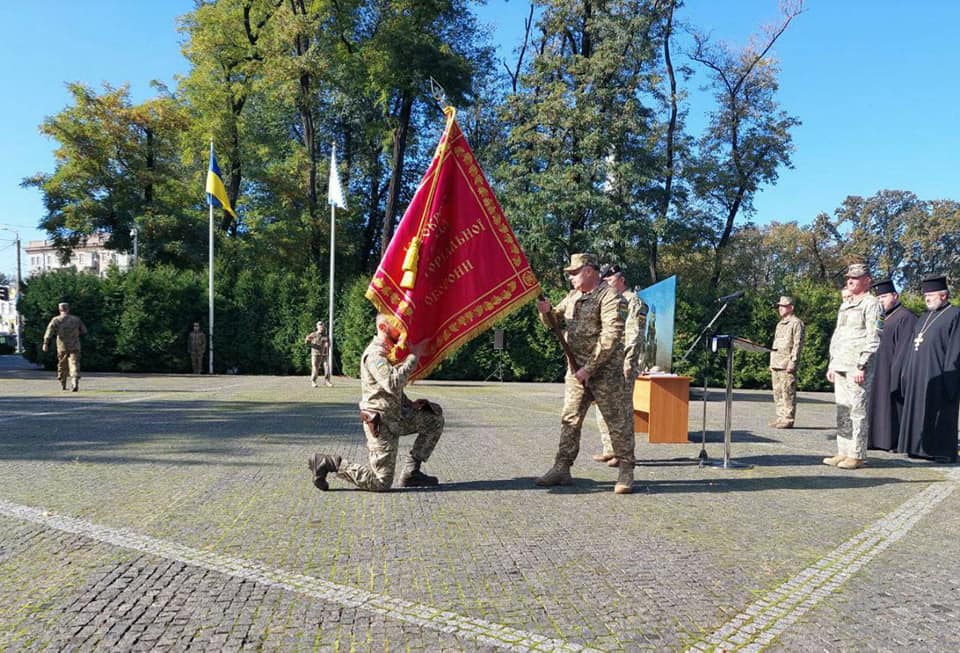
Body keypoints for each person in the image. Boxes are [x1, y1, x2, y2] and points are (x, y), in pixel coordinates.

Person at [307, 314, 444, 492]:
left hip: (398, 417)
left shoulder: (390, 353)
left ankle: (412, 472)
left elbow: (388, 391)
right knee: (381, 483)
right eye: (397, 325)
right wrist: (414, 355)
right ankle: (328, 463)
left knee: (434, 418)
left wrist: (409, 403)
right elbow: (392, 383)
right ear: (383, 328)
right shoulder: (374, 355)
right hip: (381, 424)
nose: (402, 330)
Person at [535, 253, 635, 494]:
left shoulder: (610, 297)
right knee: (569, 419)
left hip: (605, 372)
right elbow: (554, 322)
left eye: (574, 272)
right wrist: (545, 311)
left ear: (589, 271)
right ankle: (562, 467)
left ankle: (626, 471)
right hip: (575, 371)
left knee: (617, 422)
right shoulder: (573, 296)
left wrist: (589, 368)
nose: (570, 277)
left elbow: (611, 337)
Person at [895, 275, 960, 463]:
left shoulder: (955, 314)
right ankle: (915, 447)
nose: (927, 298)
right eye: (925, 296)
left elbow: (956, 348)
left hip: (939, 374)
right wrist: (906, 372)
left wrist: (950, 378)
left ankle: (938, 450)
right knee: (917, 408)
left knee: (938, 412)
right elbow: (913, 344)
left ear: (943, 295)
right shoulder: (924, 316)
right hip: (918, 374)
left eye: (930, 295)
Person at [824, 264, 883, 469]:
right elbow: (838, 334)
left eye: (855, 278)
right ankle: (843, 451)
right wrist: (832, 363)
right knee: (842, 410)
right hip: (841, 363)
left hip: (857, 366)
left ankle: (857, 454)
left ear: (867, 280)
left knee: (857, 410)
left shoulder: (872, 303)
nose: (850, 281)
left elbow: (874, 337)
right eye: (849, 278)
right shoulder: (847, 303)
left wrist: (862, 365)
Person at [593, 264, 647, 466]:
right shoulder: (610, 301)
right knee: (602, 405)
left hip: (624, 362)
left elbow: (635, 335)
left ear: (621, 279)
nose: (606, 283)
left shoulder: (634, 301)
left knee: (622, 409)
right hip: (607, 361)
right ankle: (609, 448)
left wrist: (629, 362)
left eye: (609, 280)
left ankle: (624, 454)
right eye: (604, 281)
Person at [866, 280, 916, 451]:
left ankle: (890, 441)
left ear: (895, 296)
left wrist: (896, 372)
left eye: (884, 297)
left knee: (890, 407)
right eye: (878, 297)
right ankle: (873, 439)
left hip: (892, 370)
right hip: (876, 369)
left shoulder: (906, 317)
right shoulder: (881, 317)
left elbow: (904, 348)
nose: (881, 301)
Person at [768, 296, 805, 429]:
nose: (780, 309)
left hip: (786, 363)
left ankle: (788, 419)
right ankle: (780, 417)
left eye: (783, 306)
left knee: (788, 392)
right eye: (779, 306)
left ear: (791, 307)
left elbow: (797, 344)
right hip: (776, 362)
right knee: (777, 392)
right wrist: (771, 362)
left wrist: (793, 361)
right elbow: (775, 343)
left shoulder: (796, 323)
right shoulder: (780, 324)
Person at [42, 302, 87, 392]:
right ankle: (74, 382)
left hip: (62, 346)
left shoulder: (56, 320)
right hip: (75, 345)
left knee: (62, 365)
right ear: (68, 309)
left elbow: (49, 333)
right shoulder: (76, 319)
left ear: (59, 310)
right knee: (74, 364)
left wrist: (45, 343)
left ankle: (63, 383)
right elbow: (84, 331)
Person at [304, 321, 332, 387]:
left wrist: (327, 345)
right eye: (320, 325)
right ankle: (313, 381)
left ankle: (327, 381)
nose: (321, 327)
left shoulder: (325, 336)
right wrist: (307, 339)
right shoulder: (313, 334)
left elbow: (329, 344)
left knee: (327, 367)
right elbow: (307, 343)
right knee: (315, 368)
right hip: (315, 354)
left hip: (324, 354)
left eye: (322, 326)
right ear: (317, 327)